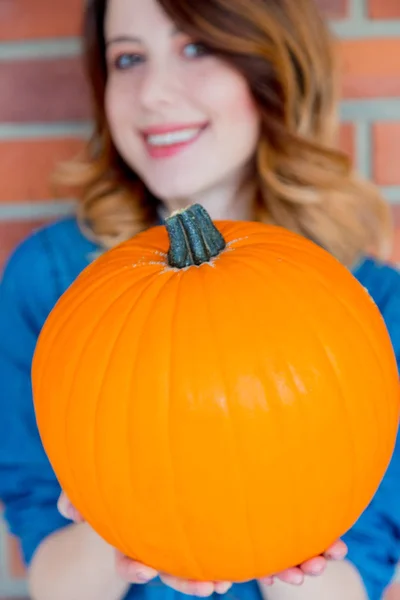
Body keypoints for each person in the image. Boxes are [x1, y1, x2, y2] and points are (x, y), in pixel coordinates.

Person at [0, 0, 399, 599]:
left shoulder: (372, 304)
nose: (154, 92)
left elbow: (352, 585)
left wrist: (261, 530)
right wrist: (123, 519)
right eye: (128, 59)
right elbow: (56, 586)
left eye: (196, 47)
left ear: (273, 67)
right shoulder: (51, 281)